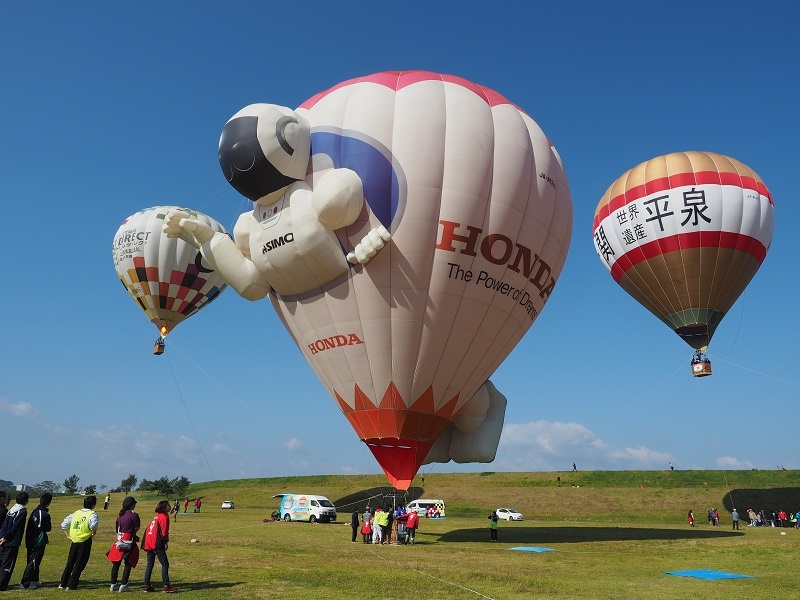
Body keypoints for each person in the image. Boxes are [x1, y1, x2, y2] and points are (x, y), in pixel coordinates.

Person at [60, 495, 99, 591]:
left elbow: (64, 524)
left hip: (74, 540)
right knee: (79, 563)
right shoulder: (92, 514)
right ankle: (71, 585)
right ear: (93, 505)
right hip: (85, 540)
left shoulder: (76, 513)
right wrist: (93, 533)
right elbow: (93, 525)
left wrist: (67, 535)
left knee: (70, 562)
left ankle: (63, 583)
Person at [19, 492, 52, 590]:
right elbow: (47, 528)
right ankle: (25, 583)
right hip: (37, 541)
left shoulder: (35, 510)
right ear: (49, 503)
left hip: (31, 539)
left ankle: (34, 580)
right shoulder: (43, 514)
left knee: (34, 561)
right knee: (33, 561)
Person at [142, 500, 177, 593]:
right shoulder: (163, 517)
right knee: (165, 564)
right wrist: (165, 542)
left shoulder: (156, 517)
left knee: (150, 564)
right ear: (164, 507)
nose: (170, 506)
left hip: (149, 542)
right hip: (156, 543)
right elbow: (164, 532)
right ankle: (166, 585)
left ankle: (146, 585)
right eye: (168, 505)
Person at [108, 496, 141, 592]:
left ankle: (113, 584)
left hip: (118, 539)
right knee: (128, 562)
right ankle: (124, 584)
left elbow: (117, 529)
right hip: (128, 540)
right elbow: (137, 527)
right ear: (132, 505)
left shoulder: (120, 516)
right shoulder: (134, 515)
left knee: (116, 562)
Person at [0, 491, 29, 590]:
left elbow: (4, 524)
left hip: (3, 539)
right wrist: (6, 537)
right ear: (26, 501)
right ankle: (2, 585)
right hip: (12, 542)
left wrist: (2, 536)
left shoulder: (11, 509)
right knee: (8, 564)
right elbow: (15, 527)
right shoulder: (22, 511)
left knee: (1, 561)